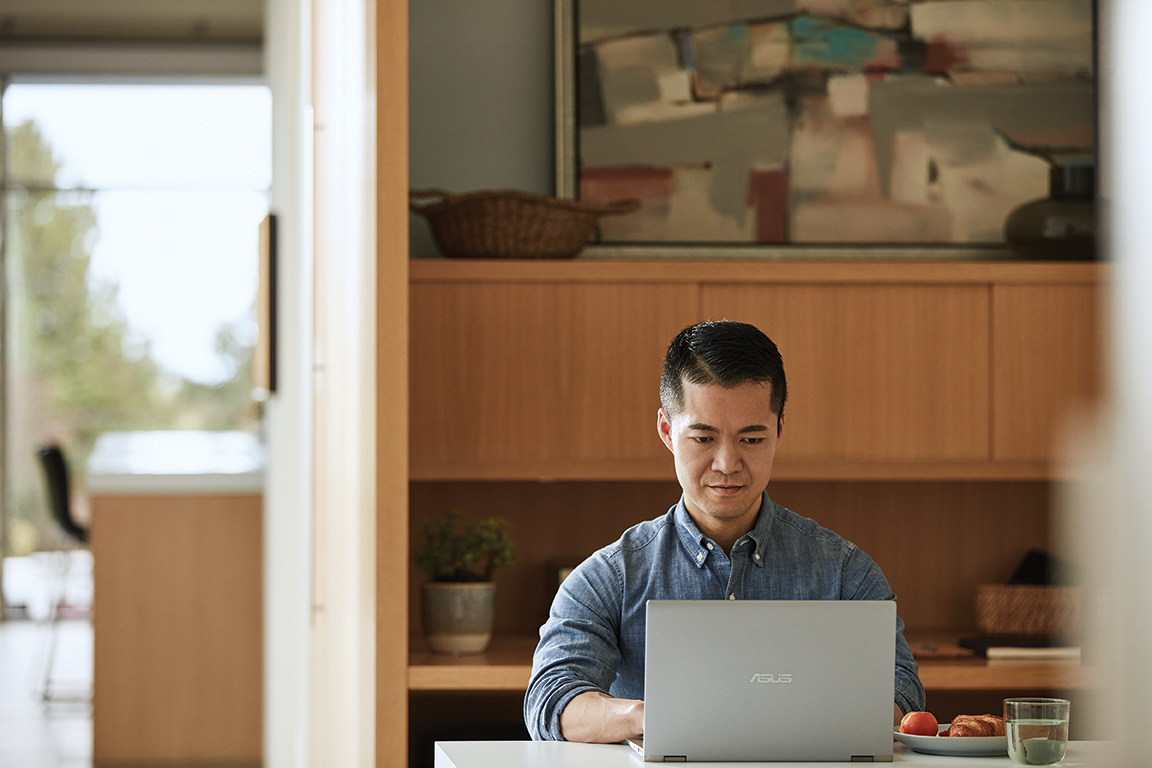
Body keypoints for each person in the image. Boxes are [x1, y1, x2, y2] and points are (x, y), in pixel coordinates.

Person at [523, 320, 925, 743]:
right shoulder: (610, 577)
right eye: (703, 438)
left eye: (751, 440)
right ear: (667, 431)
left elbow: (903, 693)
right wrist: (654, 715)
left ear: (778, 431)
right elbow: (551, 703)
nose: (727, 464)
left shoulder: (845, 572)